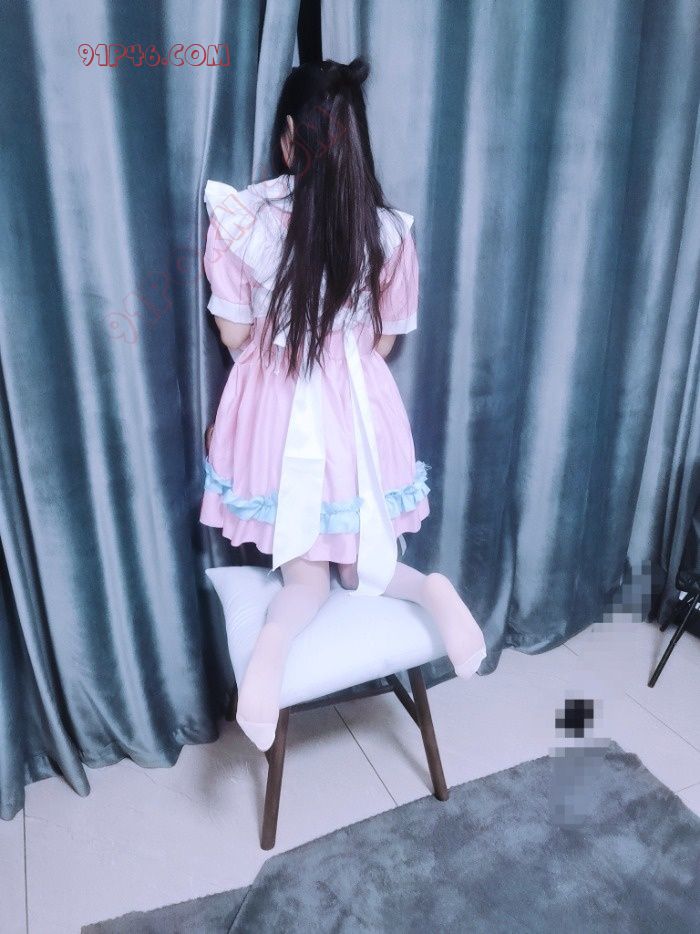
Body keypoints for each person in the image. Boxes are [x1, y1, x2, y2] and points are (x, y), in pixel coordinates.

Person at [200, 57, 487, 752]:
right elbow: (384, 341)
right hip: (361, 410)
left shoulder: (244, 219)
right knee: (361, 564)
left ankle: (268, 660)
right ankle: (433, 591)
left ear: (287, 138)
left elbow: (234, 335)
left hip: (277, 412)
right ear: (356, 139)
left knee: (303, 576)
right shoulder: (386, 231)